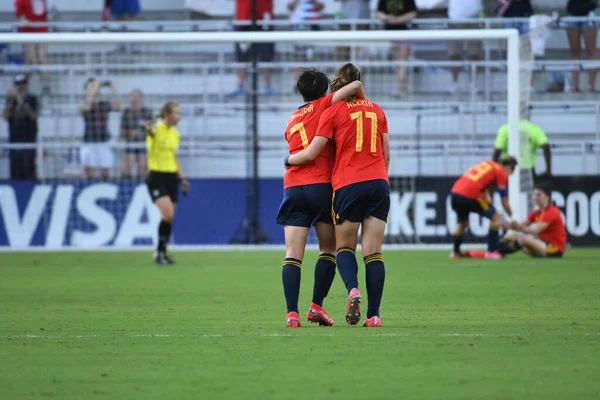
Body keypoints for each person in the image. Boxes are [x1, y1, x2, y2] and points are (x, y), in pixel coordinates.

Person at [286, 63, 390, 328]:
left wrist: (288, 160)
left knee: (335, 249)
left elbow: (311, 151)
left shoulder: (319, 114)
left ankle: (344, 293)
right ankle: (372, 315)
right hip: (373, 181)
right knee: (369, 252)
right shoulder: (377, 110)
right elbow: (386, 153)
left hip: (335, 184)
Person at [277, 69, 365, 328]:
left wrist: (288, 160)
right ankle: (316, 306)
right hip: (322, 186)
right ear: (325, 90)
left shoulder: (292, 118)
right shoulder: (324, 105)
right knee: (329, 249)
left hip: (293, 187)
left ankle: (291, 314)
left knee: (293, 254)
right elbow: (355, 85)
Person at [145, 101, 190, 265]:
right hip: (156, 176)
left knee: (169, 218)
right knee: (168, 214)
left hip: (171, 177)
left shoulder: (175, 134)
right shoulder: (156, 129)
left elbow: (174, 157)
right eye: (176, 113)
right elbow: (151, 133)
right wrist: (148, 128)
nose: (179, 116)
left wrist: (181, 178)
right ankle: (159, 252)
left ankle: (161, 253)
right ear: (167, 115)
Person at [449, 157, 518, 260]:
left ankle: (455, 252)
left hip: (455, 193)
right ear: (509, 167)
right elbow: (504, 200)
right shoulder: (501, 172)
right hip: (470, 195)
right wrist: (512, 216)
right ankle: (492, 251)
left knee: (462, 223)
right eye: (511, 173)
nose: (508, 176)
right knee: (496, 218)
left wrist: (488, 202)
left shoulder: (487, 164)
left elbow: (483, 188)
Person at [492, 183, 566, 258]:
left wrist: (517, 227)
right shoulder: (537, 212)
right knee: (511, 235)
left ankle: (497, 253)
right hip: (541, 246)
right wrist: (505, 224)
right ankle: (492, 250)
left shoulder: (551, 212)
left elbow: (535, 230)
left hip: (554, 249)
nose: (535, 197)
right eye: (534, 194)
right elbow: (520, 225)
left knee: (524, 239)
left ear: (547, 196)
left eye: (539, 195)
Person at [79, 78, 122, 180]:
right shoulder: (83, 103)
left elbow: (119, 106)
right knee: (90, 174)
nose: (95, 88)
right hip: (89, 143)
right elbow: (86, 107)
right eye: (91, 87)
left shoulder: (104, 104)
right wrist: (95, 87)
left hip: (104, 142)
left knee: (105, 174)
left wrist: (113, 88)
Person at [230, 0, 274, 96]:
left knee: (265, 56)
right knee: (241, 57)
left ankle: (268, 86)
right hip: (243, 22)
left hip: (263, 21)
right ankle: (240, 86)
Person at [375, 0, 417, 96]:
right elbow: (378, 13)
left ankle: (399, 86)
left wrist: (398, 20)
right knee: (398, 60)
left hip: (403, 33)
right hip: (388, 35)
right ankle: (401, 86)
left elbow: (413, 13)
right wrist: (389, 18)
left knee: (401, 59)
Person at [2, 74, 38, 180]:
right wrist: (11, 102)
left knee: (29, 172)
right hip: (14, 142)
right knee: (15, 173)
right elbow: (5, 117)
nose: (20, 87)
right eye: (17, 84)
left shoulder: (32, 98)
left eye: (22, 84)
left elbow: (34, 116)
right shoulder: (10, 100)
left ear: (26, 84)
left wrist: (20, 100)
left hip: (28, 141)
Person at [15, 0, 51, 95]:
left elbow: (44, 14)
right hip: (29, 33)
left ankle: (46, 85)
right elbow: (20, 14)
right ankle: (24, 86)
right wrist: (23, 20)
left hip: (42, 32)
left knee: (42, 58)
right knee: (30, 60)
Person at [565, 0, 597, 92]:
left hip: (589, 13)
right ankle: (575, 86)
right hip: (572, 12)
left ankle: (591, 85)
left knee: (590, 50)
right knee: (574, 51)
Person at [120, 89, 152, 179]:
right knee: (127, 166)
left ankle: (143, 185)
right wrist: (130, 133)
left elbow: (152, 131)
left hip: (144, 145)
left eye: (136, 98)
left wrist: (141, 133)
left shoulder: (147, 112)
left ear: (141, 99)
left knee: (143, 167)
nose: (133, 100)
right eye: (131, 98)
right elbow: (122, 134)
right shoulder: (126, 113)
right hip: (130, 146)